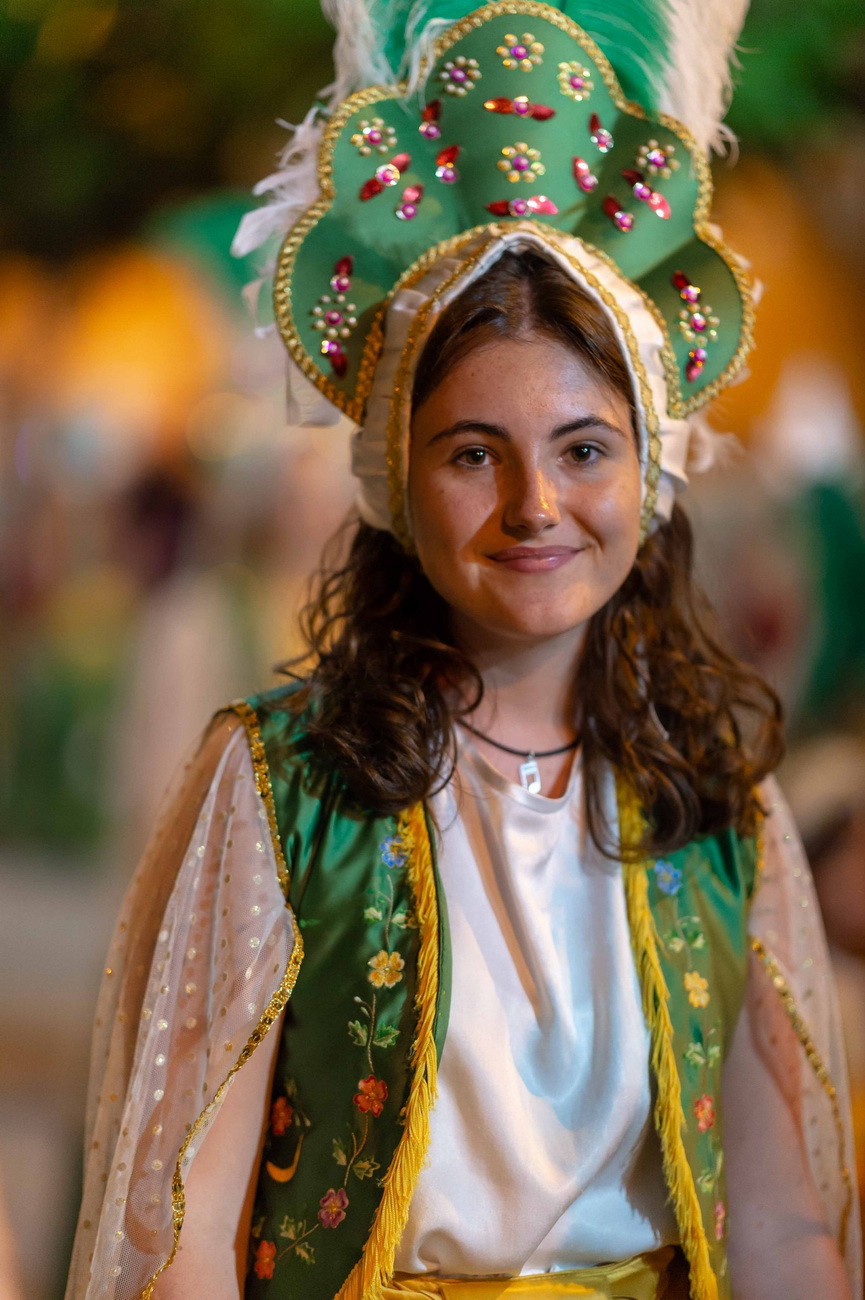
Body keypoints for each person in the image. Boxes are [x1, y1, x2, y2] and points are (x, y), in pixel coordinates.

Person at [65, 3, 861, 1299]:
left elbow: (776, 1232)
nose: (536, 507)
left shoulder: (713, 801)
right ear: (397, 480)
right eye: (474, 454)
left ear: (648, 476)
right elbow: (188, 1235)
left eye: (583, 449)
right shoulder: (286, 791)